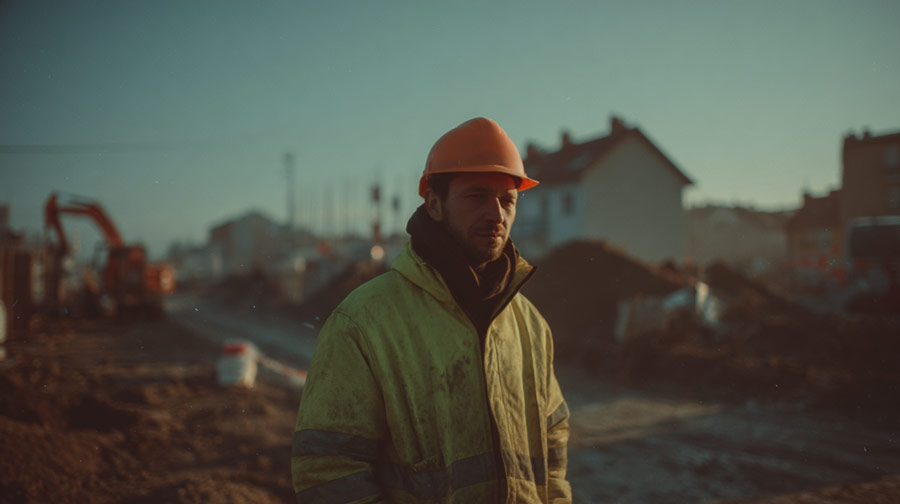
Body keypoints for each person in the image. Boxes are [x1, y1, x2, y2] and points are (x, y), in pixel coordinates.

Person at [291, 117, 571, 503]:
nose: (496, 214)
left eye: (507, 200)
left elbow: (554, 444)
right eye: (476, 196)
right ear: (434, 204)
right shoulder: (363, 322)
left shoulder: (530, 325)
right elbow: (327, 470)